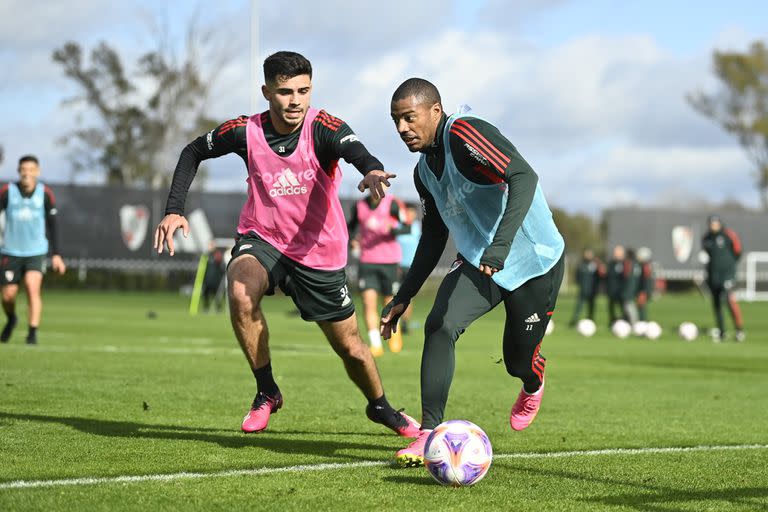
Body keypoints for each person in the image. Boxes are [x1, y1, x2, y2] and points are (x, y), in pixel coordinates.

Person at [154, 51, 419, 437]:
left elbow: (355, 150)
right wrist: (174, 208)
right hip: (263, 238)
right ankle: (266, 391)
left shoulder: (324, 127)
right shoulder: (245, 130)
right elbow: (194, 150)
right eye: (284, 92)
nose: (295, 100)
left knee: (350, 347)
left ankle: (380, 407)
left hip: (319, 252)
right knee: (241, 289)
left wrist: (372, 170)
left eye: (303, 90)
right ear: (266, 92)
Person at [377, 78, 565, 467]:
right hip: (481, 261)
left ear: (435, 110)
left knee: (517, 362)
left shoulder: (465, 133)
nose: (402, 129)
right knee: (440, 324)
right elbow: (432, 236)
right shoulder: (423, 172)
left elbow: (524, 176)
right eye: (396, 121)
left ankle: (533, 379)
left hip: (534, 260)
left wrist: (501, 247)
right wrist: (404, 295)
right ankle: (429, 433)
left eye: (409, 118)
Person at [0, 155, 66, 345]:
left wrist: (56, 255)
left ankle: (32, 333)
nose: (27, 173)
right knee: (8, 295)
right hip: (10, 251)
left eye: (31, 169)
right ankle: (12, 318)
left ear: (37, 172)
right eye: (23, 169)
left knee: (32, 286)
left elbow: (53, 225)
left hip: (35, 251)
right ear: (19, 171)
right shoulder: (7, 192)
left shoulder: (45, 193)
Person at [347, 192, 410, 356]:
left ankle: (394, 335)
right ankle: (375, 344)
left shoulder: (392, 204)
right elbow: (350, 228)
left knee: (389, 302)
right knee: (368, 303)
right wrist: (353, 240)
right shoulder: (359, 206)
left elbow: (407, 227)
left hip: (389, 262)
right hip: (367, 261)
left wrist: (393, 230)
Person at [701, 215, 745, 342]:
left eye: (715, 223)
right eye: (711, 223)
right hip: (713, 276)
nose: (713, 226)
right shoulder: (706, 238)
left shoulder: (728, 235)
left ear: (720, 224)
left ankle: (739, 330)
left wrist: (729, 267)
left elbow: (738, 252)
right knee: (716, 304)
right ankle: (722, 332)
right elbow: (706, 255)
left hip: (727, 275)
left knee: (728, 299)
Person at [396, 203, 421, 335]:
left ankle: (405, 323)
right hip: (397, 266)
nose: (410, 215)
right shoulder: (397, 226)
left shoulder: (417, 227)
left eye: (412, 212)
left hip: (411, 267)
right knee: (393, 294)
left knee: (408, 297)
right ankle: (394, 320)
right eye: (407, 212)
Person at [568, 248, 602, 327]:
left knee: (591, 307)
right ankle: (574, 320)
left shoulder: (595, 265)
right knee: (579, 306)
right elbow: (577, 276)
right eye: (587, 253)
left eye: (589, 254)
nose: (588, 255)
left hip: (592, 290)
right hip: (583, 289)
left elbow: (599, 277)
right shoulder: (581, 264)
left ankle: (591, 320)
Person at [201, 241, 226, 313]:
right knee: (205, 294)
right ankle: (206, 307)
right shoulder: (206, 255)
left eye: (211, 245)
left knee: (216, 294)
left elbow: (221, 266)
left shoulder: (217, 254)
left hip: (215, 279)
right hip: (207, 279)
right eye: (209, 245)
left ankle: (218, 308)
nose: (210, 246)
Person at [605, 245, 626, 326]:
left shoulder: (625, 264)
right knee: (611, 308)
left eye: (618, 253)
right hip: (611, 290)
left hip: (621, 291)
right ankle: (612, 322)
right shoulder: (611, 263)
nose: (616, 254)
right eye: (615, 253)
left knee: (623, 308)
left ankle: (624, 322)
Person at [635, 247, 654, 322]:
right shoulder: (642, 266)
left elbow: (646, 280)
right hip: (642, 290)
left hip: (643, 291)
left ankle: (642, 321)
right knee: (640, 306)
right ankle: (641, 320)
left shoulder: (646, 267)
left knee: (641, 306)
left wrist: (644, 291)